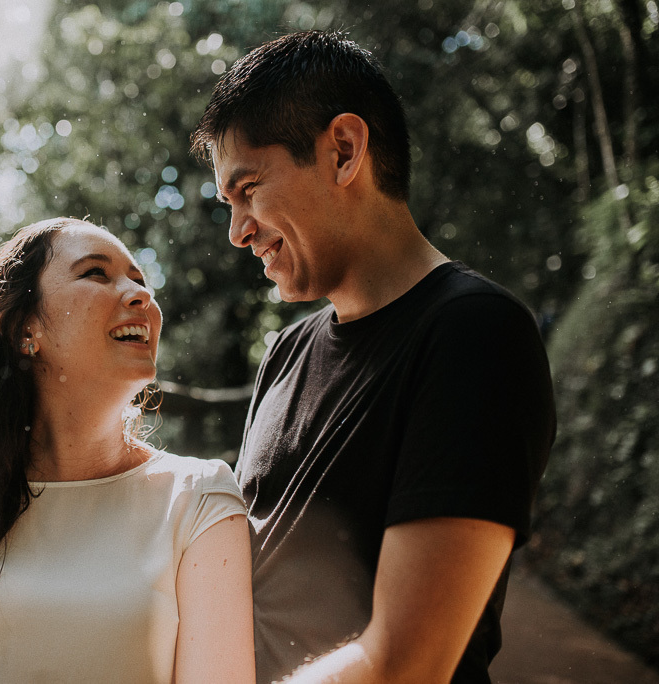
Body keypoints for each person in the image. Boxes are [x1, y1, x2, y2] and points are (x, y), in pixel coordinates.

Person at [190, 31, 556, 684]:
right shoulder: (286, 353)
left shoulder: (475, 333)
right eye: (228, 203)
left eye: (247, 189)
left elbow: (406, 663)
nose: (237, 231)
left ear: (343, 150)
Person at [0, 218, 255, 683]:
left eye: (140, 280)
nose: (141, 297)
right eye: (96, 273)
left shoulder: (200, 498)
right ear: (23, 330)